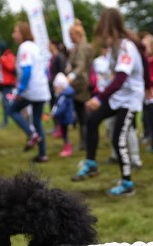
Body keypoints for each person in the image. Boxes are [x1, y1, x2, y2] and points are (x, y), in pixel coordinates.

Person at [71, 8, 147, 197]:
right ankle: (91, 164)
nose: (102, 37)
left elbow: (121, 77)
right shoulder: (115, 47)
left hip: (129, 100)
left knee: (118, 139)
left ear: (111, 28)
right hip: (118, 97)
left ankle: (127, 183)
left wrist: (99, 97)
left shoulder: (126, 47)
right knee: (93, 120)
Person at [7, 21, 50, 161]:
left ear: (22, 33)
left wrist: (20, 90)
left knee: (12, 110)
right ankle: (43, 154)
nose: (13, 35)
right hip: (42, 89)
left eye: (16, 32)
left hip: (32, 90)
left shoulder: (24, 48)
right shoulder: (35, 47)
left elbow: (27, 71)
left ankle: (31, 134)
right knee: (37, 121)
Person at [65, 19, 93, 150]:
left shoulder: (82, 47)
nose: (70, 37)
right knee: (81, 114)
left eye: (71, 34)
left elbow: (81, 66)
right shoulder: (77, 47)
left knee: (83, 114)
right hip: (78, 85)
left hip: (82, 86)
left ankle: (85, 141)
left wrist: (71, 76)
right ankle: (84, 141)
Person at [51, 72, 75, 157]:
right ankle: (66, 147)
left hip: (65, 118)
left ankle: (68, 149)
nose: (55, 89)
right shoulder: (64, 95)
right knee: (64, 133)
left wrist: (54, 113)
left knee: (65, 134)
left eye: (56, 87)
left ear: (61, 86)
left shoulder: (63, 96)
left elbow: (61, 108)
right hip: (65, 117)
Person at [0, 39, 16, 128]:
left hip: (9, 84)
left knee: (8, 104)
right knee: (5, 104)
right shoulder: (4, 56)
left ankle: (8, 121)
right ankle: (5, 121)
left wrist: (3, 60)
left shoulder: (8, 56)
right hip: (3, 84)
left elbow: (11, 67)